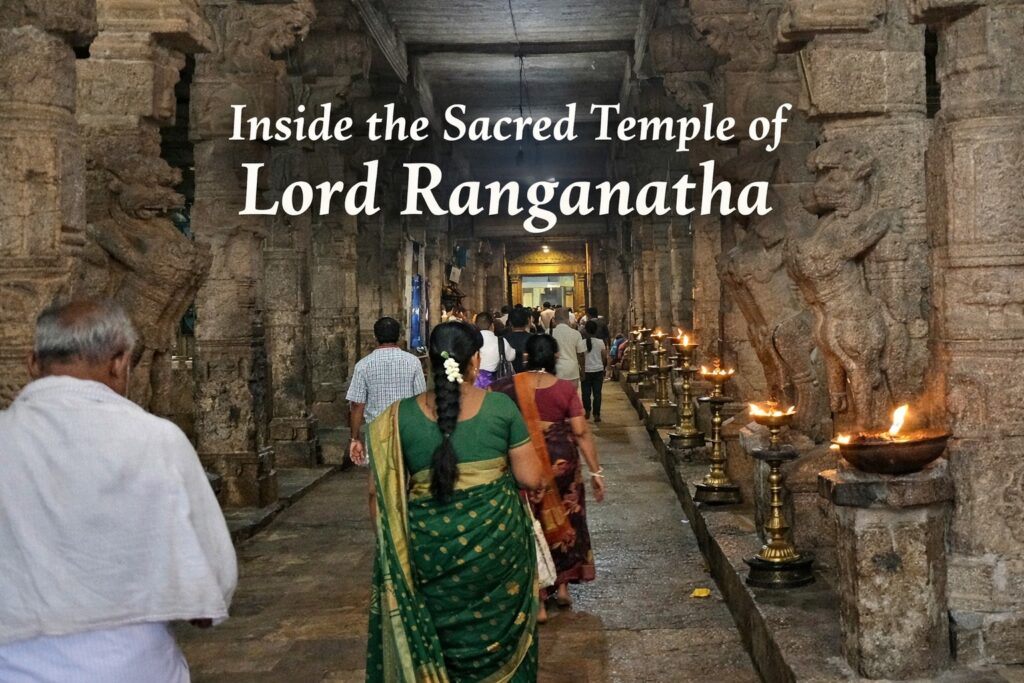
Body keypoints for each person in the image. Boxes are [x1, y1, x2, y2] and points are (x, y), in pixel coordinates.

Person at [0, 299, 236, 683]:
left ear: (32, 363)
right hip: (131, 667)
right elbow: (211, 587)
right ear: (119, 362)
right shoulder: (157, 441)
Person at [365, 322, 544, 681]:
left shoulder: (397, 418)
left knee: (437, 634)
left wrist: (396, 553)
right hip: (497, 550)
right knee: (500, 628)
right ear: (474, 361)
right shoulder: (499, 407)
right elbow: (531, 478)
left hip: (427, 549)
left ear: (429, 363)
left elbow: (376, 496)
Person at [493, 334, 605, 624]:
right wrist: (596, 471)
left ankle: (539, 600)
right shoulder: (565, 389)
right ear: (555, 357)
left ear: (526, 357)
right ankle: (564, 587)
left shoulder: (505, 387)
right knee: (566, 522)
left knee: (532, 525)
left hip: (523, 464)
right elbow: (580, 432)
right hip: (561, 464)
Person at [347, 317, 426, 465]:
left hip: (376, 430)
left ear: (375, 337)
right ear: (399, 336)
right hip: (406, 428)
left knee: (377, 474)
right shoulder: (413, 362)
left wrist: (355, 438)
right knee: (405, 472)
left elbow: (357, 404)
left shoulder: (363, 365)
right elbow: (420, 399)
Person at [474, 311, 515, 389]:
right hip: (493, 383)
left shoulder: (470, 340)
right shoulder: (501, 341)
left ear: (476, 325)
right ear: (492, 326)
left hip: (472, 382)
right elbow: (511, 357)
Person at [550, 306, 587, 387]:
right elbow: (580, 355)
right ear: (568, 319)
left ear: (554, 319)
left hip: (555, 371)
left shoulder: (548, 333)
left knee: (557, 398)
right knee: (571, 397)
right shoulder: (576, 333)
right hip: (572, 370)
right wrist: (583, 370)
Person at [581, 320, 609, 422]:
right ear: (596, 330)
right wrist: (603, 366)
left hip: (586, 371)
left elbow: (581, 358)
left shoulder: (582, 343)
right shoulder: (600, 342)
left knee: (586, 393)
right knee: (597, 393)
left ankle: (587, 411)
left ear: (586, 331)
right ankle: (596, 414)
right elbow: (604, 356)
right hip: (598, 370)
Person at [505, 307, 534, 373]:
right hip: (529, 377)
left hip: (509, 378)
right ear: (527, 321)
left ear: (510, 322)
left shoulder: (502, 339)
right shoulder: (534, 339)